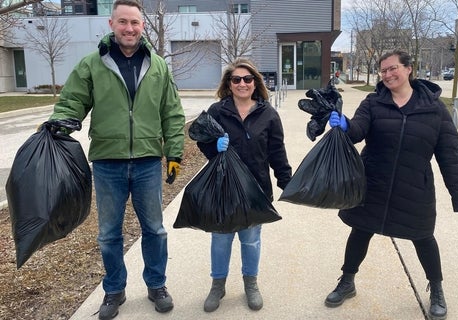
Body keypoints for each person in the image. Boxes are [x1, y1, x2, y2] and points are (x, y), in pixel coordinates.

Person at [47, 0, 185, 319]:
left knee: (154, 229)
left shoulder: (158, 65)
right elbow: (73, 101)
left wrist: (174, 153)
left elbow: (172, 112)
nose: (129, 28)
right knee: (109, 232)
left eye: (135, 22)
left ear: (143, 26)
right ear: (112, 25)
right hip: (108, 162)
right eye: (123, 22)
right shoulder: (93, 64)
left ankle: (156, 284)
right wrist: (61, 121)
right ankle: (114, 289)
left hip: (148, 161)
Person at [326, 50, 458, 320]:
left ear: (409, 69)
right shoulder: (373, 102)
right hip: (373, 182)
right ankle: (347, 282)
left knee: (423, 237)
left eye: (392, 68)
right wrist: (344, 125)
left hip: (414, 186)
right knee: (360, 231)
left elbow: (450, 155)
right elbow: (358, 130)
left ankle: (437, 289)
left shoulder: (434, 108)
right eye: (383, 71)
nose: (387, 75)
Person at [197, 58, 292, 312]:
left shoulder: (268, 114)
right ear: (229, 84)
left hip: (255, 189)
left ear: (255, 83)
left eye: (247, 79)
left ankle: (251, 283)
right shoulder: (218, 111)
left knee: (250, 240)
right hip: (223, 187)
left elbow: (276, 152)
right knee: (221, 238)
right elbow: (201, 139)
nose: (242, 83)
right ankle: (218, 285)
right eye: (236, 79)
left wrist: (286, 180)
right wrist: (212, 148)